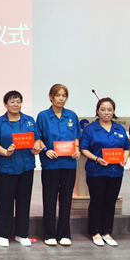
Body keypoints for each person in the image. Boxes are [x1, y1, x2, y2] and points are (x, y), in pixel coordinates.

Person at [0, 90, 41, 247]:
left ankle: (22, 234)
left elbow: (37, 139)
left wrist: (36, 148)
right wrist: (5, 152)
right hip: (6, 167)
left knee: (24, 201)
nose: (15, 104)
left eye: (18, 101)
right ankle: (3, 234)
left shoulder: (29, 121)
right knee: (5, 202)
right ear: (5, 104)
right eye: (12, 101)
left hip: (26, 166)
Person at [79, 98, 130, 247]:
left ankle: (107, 232)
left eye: (109, 110)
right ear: (97, 111)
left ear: (113, 111)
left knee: (110, 202)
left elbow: (127, 148)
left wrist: (124, 159)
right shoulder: (90, 129)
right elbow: (83, 149)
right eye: (103, 109)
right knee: (97, 201)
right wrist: (96, 159)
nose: (106, 112)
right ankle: (95, 232)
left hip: (116, 172)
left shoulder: (119, 129)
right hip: (97, 171)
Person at [36, 84, 82, 246]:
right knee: (49, 199)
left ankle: (64, 234)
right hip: (51, 164)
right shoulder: (43, 116)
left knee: (66, 199)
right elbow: (38, 137)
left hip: (69, 164)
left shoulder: (72, 115)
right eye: (57, 95)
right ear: (51, 97)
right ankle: (49, 234)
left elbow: (76, 136)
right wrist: (46, 150)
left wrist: (77, 149)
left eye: (64, 96)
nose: (61, 98)